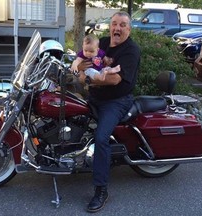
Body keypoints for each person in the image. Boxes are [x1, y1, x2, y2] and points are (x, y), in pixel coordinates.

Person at [76, 11, 141, 213]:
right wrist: (80, 72)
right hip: (96, 96)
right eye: (114, 24)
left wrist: (86, 79)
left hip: (116, 101)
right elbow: (82, 64)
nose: (117, 29)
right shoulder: (102, 42)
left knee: (101, 137)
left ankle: (101, 189)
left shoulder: (131, 50)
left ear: (128, 29)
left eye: (122, 25)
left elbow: (113, 80)